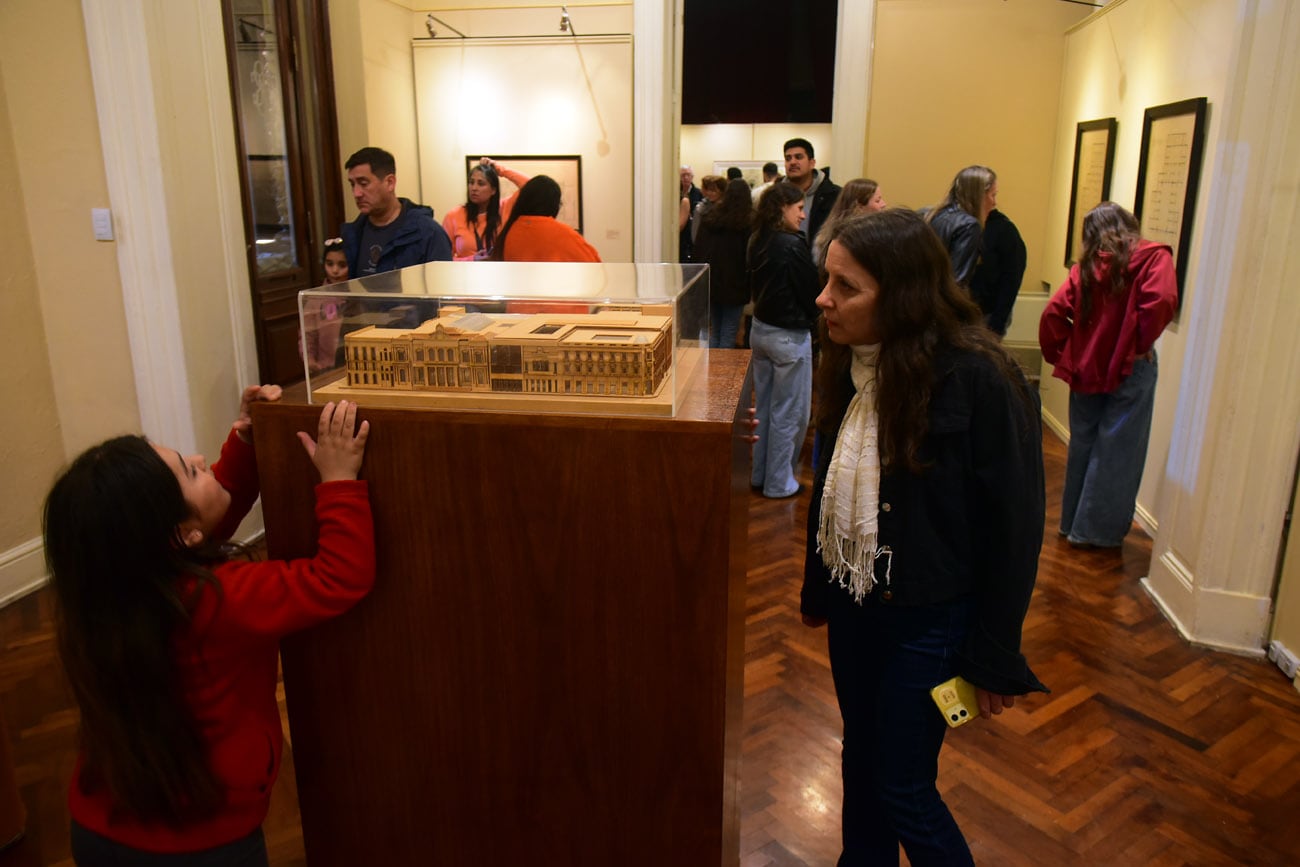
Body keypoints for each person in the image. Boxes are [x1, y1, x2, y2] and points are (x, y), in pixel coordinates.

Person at [802, 208, 1046, 865]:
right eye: (828, 281)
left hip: (932, 621)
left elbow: (1015, 528)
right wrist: (818, 589)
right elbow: (830, 486)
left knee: (903, 784)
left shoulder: (982, 378)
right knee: (861, 760)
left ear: (905, 294)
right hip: (859, 606)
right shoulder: (848, 361)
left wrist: (994, 656)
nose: (825, 299)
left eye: (846, 287)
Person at [44, 387, 374, 864]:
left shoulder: (115, 593)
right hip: (206, 842)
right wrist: (339, 481)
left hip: (99, 827)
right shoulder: (222, 598)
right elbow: (340, 576)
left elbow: (197, 525)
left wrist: (245, 443)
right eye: (192, 470)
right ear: (181, 536)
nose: (201, 459)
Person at [1039, 201, 1178, 548]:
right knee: (1118, 449)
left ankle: (1070, 523)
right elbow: (1160, 300)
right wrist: (1138, 343)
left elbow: (1055, 312)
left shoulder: (1086, 266)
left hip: (1087, 366)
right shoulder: (1152, 258)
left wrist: (1062, 353)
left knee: (1083, 443)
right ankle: (1094, 532)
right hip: (1131, 368)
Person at [748, 183, 820, 499]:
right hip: (789, 335)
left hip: (760, 330)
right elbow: (810, 293)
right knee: (788, 412)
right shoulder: (792, 244)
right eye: (799, 208)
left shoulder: (756, 239)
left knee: (762, 406)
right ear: (783, 208)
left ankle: (758, 473)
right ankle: (779, 482)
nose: (803, 215)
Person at [340, 146, 451, 278]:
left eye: (363, 183)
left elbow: (441, 290)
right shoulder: (354, 233)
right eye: (352, 184)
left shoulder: (427, 233)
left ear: (390, 182)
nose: (356, 193)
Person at [693, 178, 753, 348]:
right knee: (729, 330)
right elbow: (748, 257)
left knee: (715, 330)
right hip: (735, 285)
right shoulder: (746, 222)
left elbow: (699, 249)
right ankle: (721, 372)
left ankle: (711, 370)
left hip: (712, 283)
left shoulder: (711, 217)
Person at [491, 175, 601, 262]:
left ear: (523, 201)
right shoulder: (564, 234)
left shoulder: (509, 232)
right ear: (554, 204)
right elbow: (594, 266)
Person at [442, 158, 529, 261]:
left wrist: (501, 170)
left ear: (493, 190)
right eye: (471, 182)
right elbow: (443, 258)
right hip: (466, 274)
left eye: (481, 183)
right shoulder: (454, 216)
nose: (474, 188)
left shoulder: (504, 207)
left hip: (500, 273)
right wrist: (472, 259)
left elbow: (533, 186)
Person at [924, 165, 997, 288]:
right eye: (993, 195)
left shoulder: (928, 214)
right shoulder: (969, 226)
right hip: (941, 302)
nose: (994, 203)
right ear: (980, 196)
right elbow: (957, 283)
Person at [970, 208, 1027, 336]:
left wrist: (997, 323)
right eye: (992, 195)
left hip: (987, 315)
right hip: (962, 314)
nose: (994, 202)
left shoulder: (1004, 230)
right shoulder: (962, 225)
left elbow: (1012, 278)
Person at [812, 178, 888, 266]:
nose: (884, 204)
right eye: (877, 201)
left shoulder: (826, 235)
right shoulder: (856, 240)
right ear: (859, 207)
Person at [300, 238, 348, 372]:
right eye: (329, 264)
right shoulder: (315, 298)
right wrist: (309, 360)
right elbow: (307, 334)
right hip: (324, 368)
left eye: (342, 265)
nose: (335, 270)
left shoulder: (356, 297)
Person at [782, 137, 841, 244]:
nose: (793, 162)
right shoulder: (775, 196)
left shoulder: (834, 195)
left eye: (798, 157)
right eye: (788, 158)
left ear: (812, 163)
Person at [689, 174, 727, 245]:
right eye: (707, 189)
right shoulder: (700, 208)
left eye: (713, 190)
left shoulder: (727, 208)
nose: (709, 193)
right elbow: (695, 235)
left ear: (722, 191)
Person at [679, 165, 703, 261]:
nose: (685, 178)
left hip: (693, 234)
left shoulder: (699, 193)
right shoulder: (673, 193)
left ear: (692, 177)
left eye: (688, 175)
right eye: (683, 175)